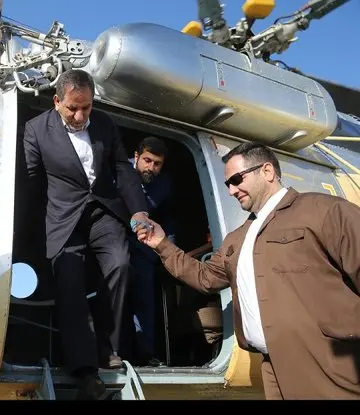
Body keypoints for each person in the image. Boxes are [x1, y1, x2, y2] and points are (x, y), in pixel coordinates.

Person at [135, 141, 360, 400]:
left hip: (329, 363)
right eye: (227, 184)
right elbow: (205, 278)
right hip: (272, 367)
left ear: (267, 171)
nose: (231, 190)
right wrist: (162, 244)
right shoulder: (238, 238)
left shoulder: (325, 211)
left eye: (236, 179)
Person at [23, 68, 151, 399]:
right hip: (62, 217)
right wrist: (34, 232)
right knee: (70, 283)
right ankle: (84, 369)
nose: (80, 116)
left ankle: (108, 348)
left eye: (87, 108)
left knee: (120, 265)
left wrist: (138, 210)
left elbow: (122, 167)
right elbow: (33, 182)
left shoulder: (105, 124)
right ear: (56, 101)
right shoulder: (36, 130)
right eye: (72, 108)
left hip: (103, 211)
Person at [125, 136, 176, 366]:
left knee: (145, 302)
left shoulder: (164, 184)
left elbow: (168, 217)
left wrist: (168, 250)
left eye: (157, 164)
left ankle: (145, 354)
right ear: (136, 156)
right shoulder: (119, 171)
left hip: (143, 249)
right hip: (112, 243)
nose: (151, 168)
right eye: (147, 161)